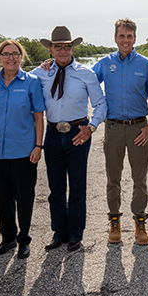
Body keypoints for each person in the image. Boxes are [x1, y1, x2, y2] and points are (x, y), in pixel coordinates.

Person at [42, 19, 148, 245]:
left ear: (135, 38)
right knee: (112, 178)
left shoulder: (145, 64)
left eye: (130, 36)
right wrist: (52, 64)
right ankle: (114, 222)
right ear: (115, 38)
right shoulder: (104, 64)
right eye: (121, 36)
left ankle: (139, 222)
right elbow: (79, 77)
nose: (125, 40)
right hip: (113, 127)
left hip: (138, 127)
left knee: (139, 178)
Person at [32, 26, 107, 252]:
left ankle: (75, 234)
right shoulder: (40, 73)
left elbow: (101, 104)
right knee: (55, 188)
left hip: (78, 133)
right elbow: (15, 76)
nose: (63, 50)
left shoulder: (86, 73)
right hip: (53, 134)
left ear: (73, 48)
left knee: (77, 186)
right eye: (58, 46)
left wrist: (91, 127)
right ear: (51, 49)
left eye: (67, 46)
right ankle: (59, 232)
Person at [0, 40, 45, 259]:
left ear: (21, 57)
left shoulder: (31, 82)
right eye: (6, 54)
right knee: (3, 195)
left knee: (25, 197)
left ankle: (24, 239)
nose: (11, 58)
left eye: (15, 54)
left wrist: (38, 145)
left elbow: (38, 116)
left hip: (24, 151)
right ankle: (7, 238)